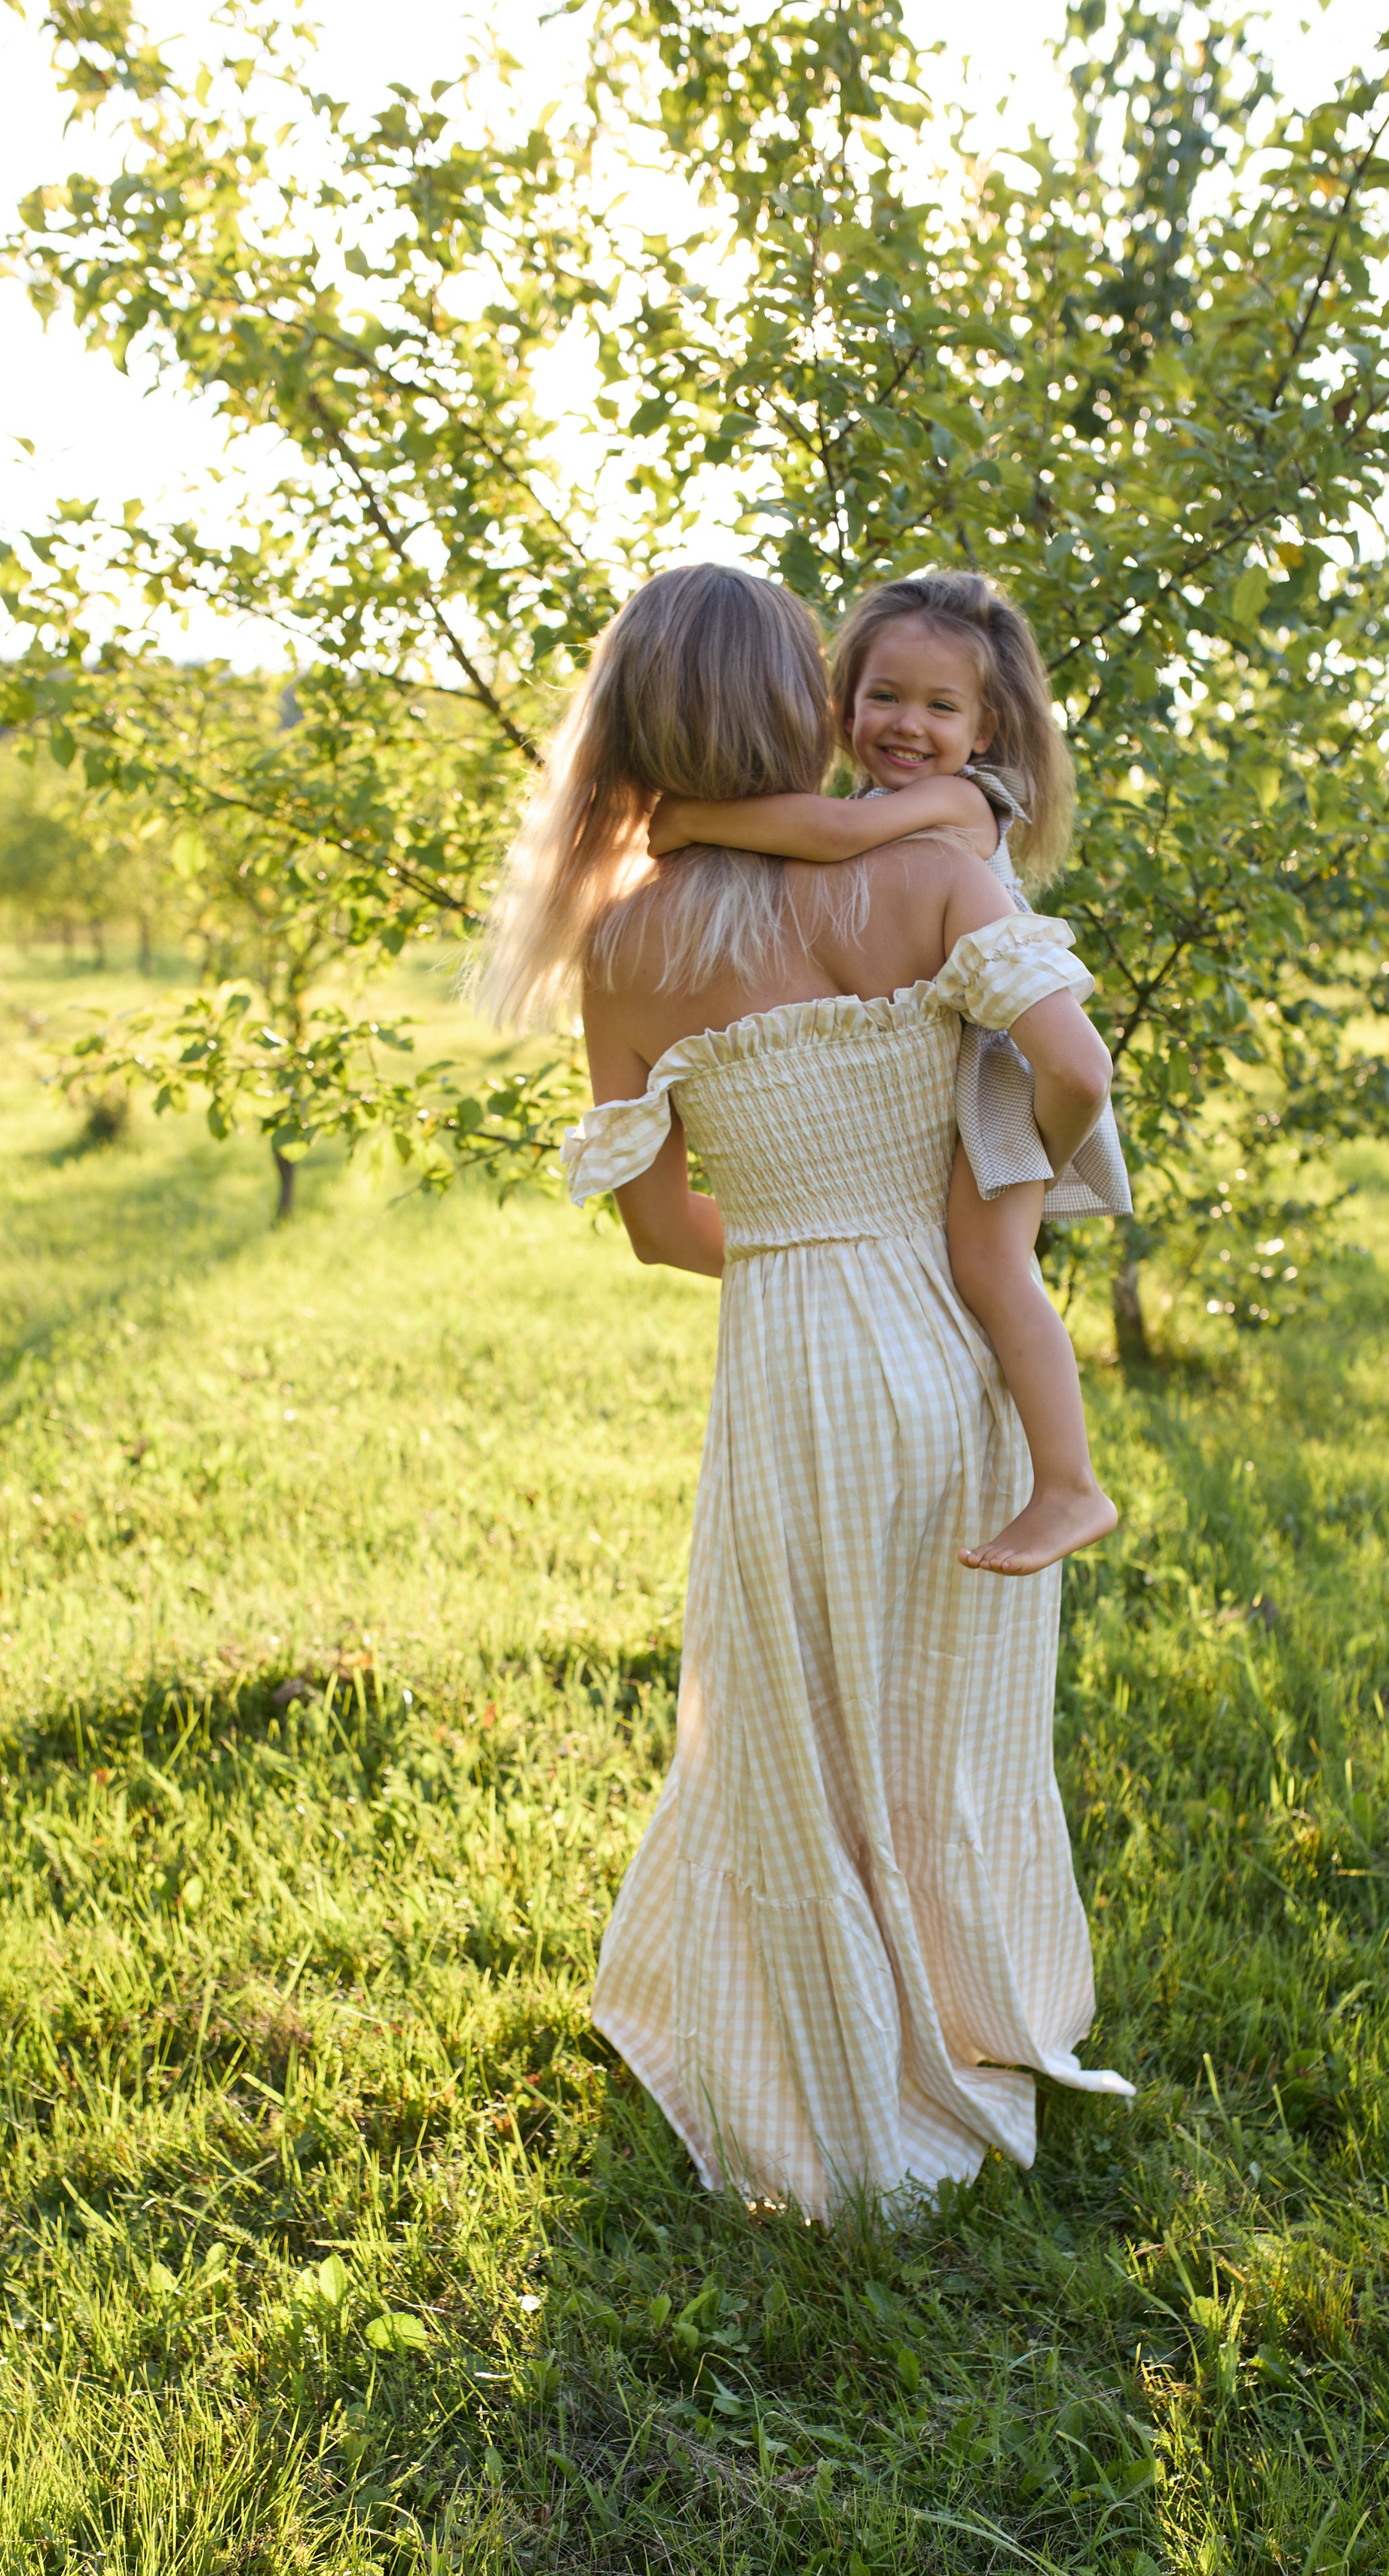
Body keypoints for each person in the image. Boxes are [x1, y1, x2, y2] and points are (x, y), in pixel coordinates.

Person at [477, 561, 1133, 2218]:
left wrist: (796, 1255)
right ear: (805, 702)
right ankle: (970, 2028)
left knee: (789, 1729)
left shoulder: (620, 949)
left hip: (789, 1369)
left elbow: (650, 1231)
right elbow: (1067, 1066)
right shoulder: (925, 868)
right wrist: (1000, 1196)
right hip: (953, 1347)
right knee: (948, 1727)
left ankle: (826, 2073)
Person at [648, 571, 1126, 1578]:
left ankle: (1071, 1485)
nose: (908, 725)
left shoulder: (955, 804)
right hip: (974, 1062)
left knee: (995, 1267)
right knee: (984, 1266)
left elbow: (824, 835)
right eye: (883, 698)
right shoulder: (888, 809)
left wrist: (693, 822)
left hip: (1004, 1075)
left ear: (987, 727)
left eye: (940, 706)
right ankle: (1064, 1482)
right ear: (841, 702)